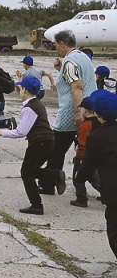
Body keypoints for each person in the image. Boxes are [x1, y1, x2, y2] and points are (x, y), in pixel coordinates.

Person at [0, 75, 65, 215]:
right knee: (31, 170)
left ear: (24, 90)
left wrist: (3, 132)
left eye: (20, 88)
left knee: (26, 172)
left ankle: (37, 205)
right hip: (48, 141)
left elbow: (21, 131)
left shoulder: (29, 108)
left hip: (40, 143)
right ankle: (54, 175)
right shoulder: (38, 104)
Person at [39, 30, 97, 194]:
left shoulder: (70, 62)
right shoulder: (83, 57)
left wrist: (77, 112)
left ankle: (50, 182)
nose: (56, 48)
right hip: (90, 110)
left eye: (56, 45)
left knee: (55, 148)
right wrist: (60, 69)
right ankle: (53, 181)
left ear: (62, 44)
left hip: (71, 113)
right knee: (64, 148)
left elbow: (77, 86)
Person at [76, 90, 117, 259]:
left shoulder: (96, 137)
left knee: (114, 231)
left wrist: (79, 177)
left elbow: (88, 166)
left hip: (114, 192)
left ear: (98, 113)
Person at [71, 96, 101, 207]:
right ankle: (107, 193)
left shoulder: (84, 126)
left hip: (85, 157)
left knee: (79, 178)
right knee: (97, 177)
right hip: (98, 155)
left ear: (84, 110)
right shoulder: (100, 123)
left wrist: (80, 158)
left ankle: (81, 198)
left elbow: (82, 144)